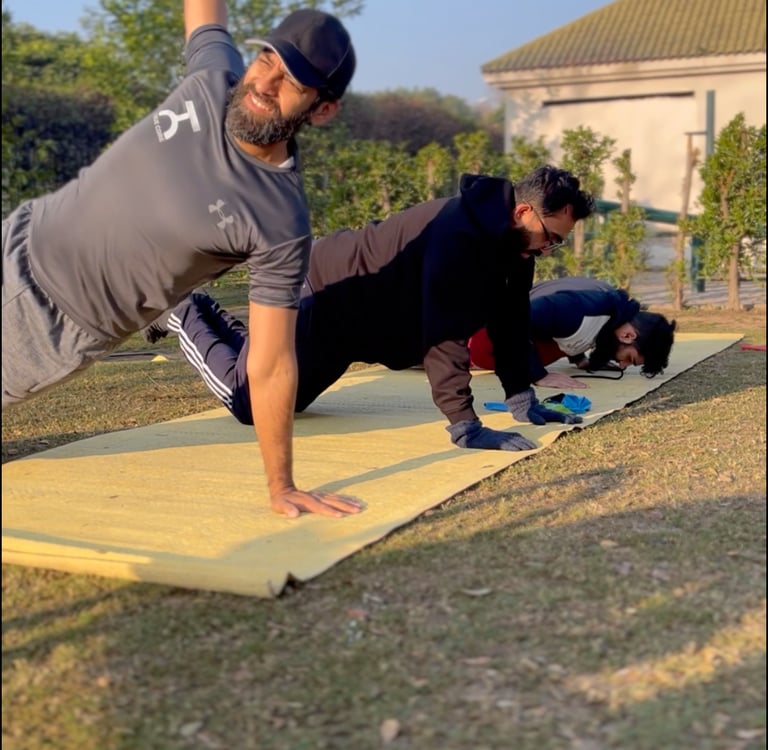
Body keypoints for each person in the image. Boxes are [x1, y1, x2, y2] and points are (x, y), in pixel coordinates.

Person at [2, 2, 361, 520]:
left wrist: (281, 484)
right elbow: (205, 12)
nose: (266, 83)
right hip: (19, 236)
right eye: (267, 59)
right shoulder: (214, 79)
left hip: (50, 323)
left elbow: (271, 363)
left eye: (293, 80)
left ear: (322, 110)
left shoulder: (279, 220)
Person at [143, 166, 596, 451]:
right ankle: (180, 310)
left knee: (288, 401)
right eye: (549, 237)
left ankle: (213, 317)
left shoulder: (518, 251)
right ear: (522, 212)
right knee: (251, 407)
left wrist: (522, 399)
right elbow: (444, 332)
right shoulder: (458, 234)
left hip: (354, 328)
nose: (548, 249)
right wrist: (465, 425)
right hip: (321, 292)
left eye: (556, 244)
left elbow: (511, 320)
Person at [468, 276, 677, 380]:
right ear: (628, 335)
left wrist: (580, 359)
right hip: (484, 338)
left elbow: (573, 330)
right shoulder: (581, 312)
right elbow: (520, 320)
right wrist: (539, 375)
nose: (622, 365)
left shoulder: (610, 308)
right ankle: (463, 356)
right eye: (629, 358)